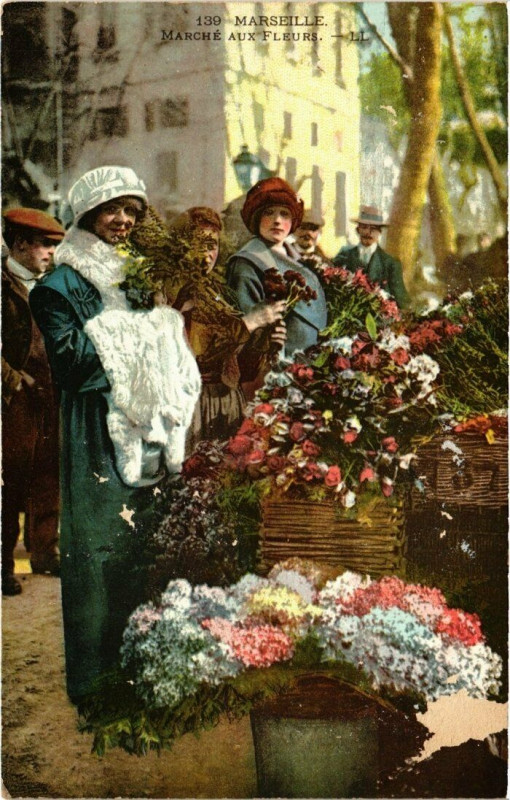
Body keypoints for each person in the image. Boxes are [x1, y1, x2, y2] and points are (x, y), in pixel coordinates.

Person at [29, 166, 200, 701]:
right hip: (92, 427)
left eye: (132, 211)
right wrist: (145, 341)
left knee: (143, 541)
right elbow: (75, 363)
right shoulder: (59, 284)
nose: (124, 220)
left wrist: (156, 338)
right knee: (99, 544)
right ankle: (97, 678)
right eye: (113, 210)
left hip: (144, 422)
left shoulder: (137, 274)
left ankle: (142, 666)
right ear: (87, 214)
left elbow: (159, 341)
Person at [163, 207, 286, 452]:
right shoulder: (169, 293)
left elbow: (241, 368)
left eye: (213, 245)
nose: (207, 254)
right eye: (199, 244)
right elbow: (198, 355)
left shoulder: (219, 293)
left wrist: (264, 340)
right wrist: (249, 323)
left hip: (225, 403)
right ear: (180, 247)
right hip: (189, 406)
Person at [2, 208, 64, 594]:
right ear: (20, 244)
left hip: (50, 391)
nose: (50, 253)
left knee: (48, 471)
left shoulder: (53, 283)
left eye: (55, 246)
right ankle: (4, 562)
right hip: (14, 398)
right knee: (10, 479)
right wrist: (12, 378)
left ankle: (45, 552)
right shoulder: (3, 283)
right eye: (44, 245)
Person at [227, 178, 327, 356]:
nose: (277, 221)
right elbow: (245, 323)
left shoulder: (297, 259)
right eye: (269, 213)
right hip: (274, 365)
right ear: (257, 218)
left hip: (311, 360)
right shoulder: (246, 264)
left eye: (285, 214)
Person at [332, 205, 410, 308]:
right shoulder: (344, 256)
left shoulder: (390, 263)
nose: (368, 233)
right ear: (357, 230)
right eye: (364, 227)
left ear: (380, 232)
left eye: (373, 229)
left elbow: (401, 300)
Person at [292, 209, 333, 273]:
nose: (308, 233)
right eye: (303, 227)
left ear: (319, 232)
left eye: (313, 229)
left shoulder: (325, 261)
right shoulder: (285, 253)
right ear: (294, 230)